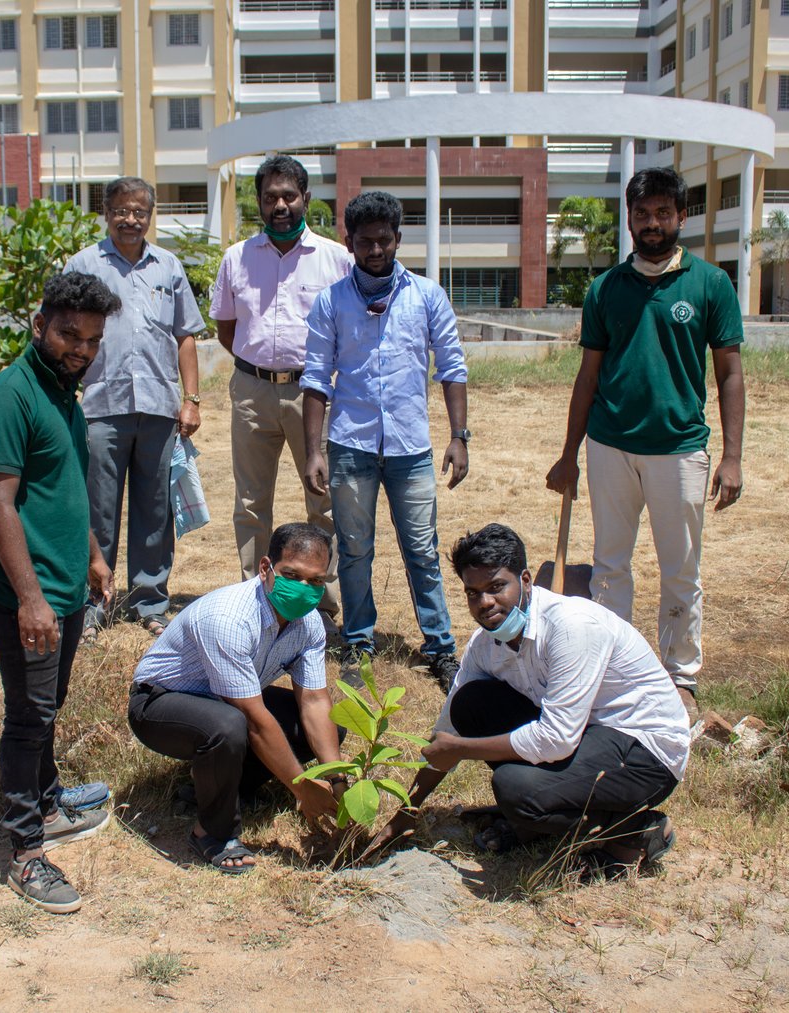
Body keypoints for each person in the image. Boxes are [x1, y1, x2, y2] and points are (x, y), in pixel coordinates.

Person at [371, 524, 690, 881]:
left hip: (644, 750)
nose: (485, 603)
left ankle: (633, 831)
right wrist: (405, 813)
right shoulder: (484, 644)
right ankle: (538, 818)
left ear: (525, 580)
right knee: (469, 704)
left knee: (516, 789)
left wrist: (461, 749)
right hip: (587, 733)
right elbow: (447, 731)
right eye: (473, 593)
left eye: (496, 587)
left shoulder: (572, 627)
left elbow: (556, 740)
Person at [546, 166, 746, 717]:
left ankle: (681, 675)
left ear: (682, 216)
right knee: (610, 565)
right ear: (630, 219)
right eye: (642, 214)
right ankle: (613, 666)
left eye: (663, 212)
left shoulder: (711, 284)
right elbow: (588, 375)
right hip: (610, 446)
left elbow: (729, 373)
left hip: (680, 449)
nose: (653, 223)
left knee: (680, 568)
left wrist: (730, 457)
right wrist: (569, 455)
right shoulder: (606, 289)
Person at [0, 273, 120, 914]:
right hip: (22, 591)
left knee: (48, 705)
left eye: (91, 339)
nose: (80, 348)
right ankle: (25, 849)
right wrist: (31, 600)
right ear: (38, 325)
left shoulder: (63, 392)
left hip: (62, 582)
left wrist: (91, 556)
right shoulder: (6, 398)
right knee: (29, 717)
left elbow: (64, 486)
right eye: (68, 334)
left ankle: (50, 800)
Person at [302, 190, 469, 691]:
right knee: (354, 549)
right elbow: (315, 378)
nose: (375, 250)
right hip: (350, 446)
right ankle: (358, 642)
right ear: (348, 242)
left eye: (384, 240)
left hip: (410, 448)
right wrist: (314, 451)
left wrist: (459, 436)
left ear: (398, 239)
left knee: (421, 548)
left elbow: (453, 366)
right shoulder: (331, 302)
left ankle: (440, 647)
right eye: (364, 241)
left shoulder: (426, 296)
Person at [128, 523, 345, 873]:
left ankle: (218, 789)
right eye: (292, 574)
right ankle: (213, 832)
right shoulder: (230, 617)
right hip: (159, 703)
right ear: (265, 569)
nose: (304, 588)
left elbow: (315, 703)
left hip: (228, 700)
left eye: (316, 581)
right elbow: (253, 720)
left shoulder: (310, 624)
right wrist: (302, 787)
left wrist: (338, 779)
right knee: (230, 725)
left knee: (329, 729)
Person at [210, 155, 352, 633]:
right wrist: (260, 366)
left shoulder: (336, 259)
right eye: (270, 197)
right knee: (251, 502)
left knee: (324, 500)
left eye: (289, 195)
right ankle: (257, 597)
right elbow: (227, 329)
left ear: (306, 199)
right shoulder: (237, 257)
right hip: (251, 391)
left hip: (314, 394)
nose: (280, 205)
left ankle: (325, 605)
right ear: (259, 202)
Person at [64, 177, 205, 638]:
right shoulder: (83, 264)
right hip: (100, 406)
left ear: (151, 215)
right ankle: (91, 603)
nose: (131, 219)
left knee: (155, 509)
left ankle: (150, 600)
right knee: (96, 510)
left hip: (161, 407)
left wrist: (192, 399)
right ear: (106, 212)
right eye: (122, 210)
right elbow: (60, 334)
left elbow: (185, 335)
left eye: (140, 212)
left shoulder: (168, 266)